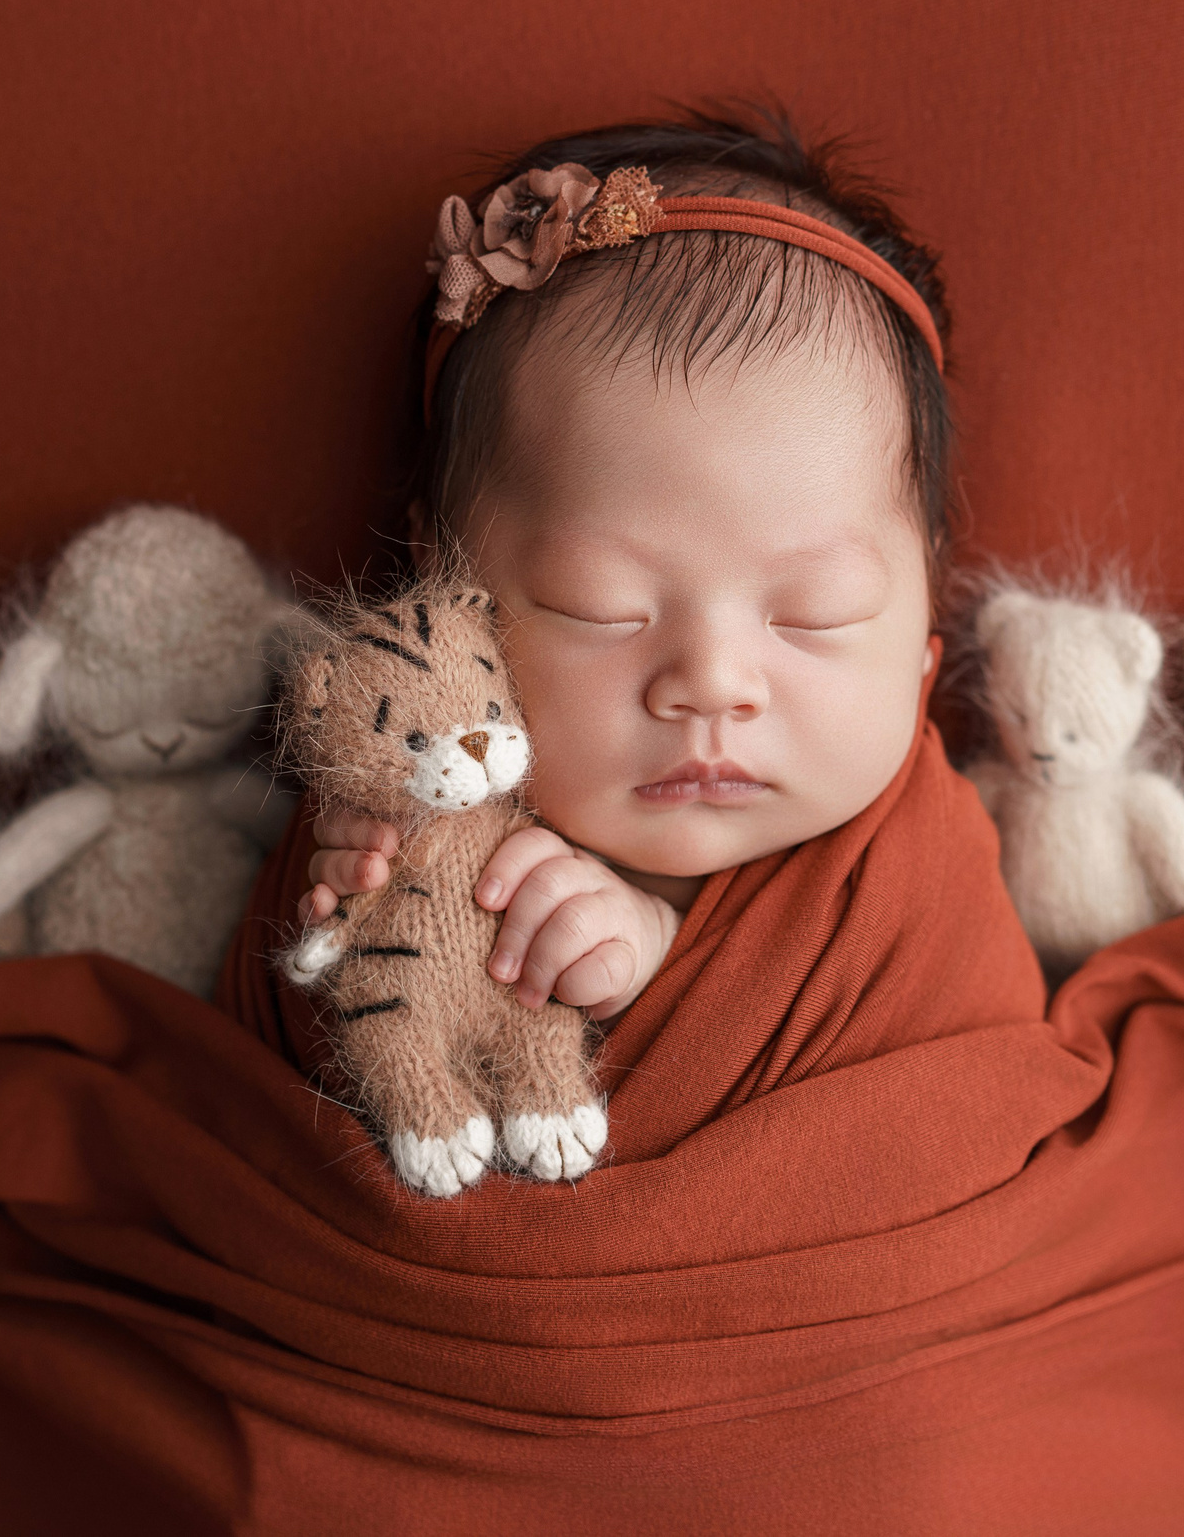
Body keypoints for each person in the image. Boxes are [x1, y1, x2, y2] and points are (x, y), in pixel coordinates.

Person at [298, 104, 956, 1021]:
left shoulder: (928, 898)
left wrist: (658, 953)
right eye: (598, 604)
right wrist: (380, 896)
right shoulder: (410, 789)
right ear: (433, 583)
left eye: (818, 610)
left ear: (925, 627)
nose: (712, 685)